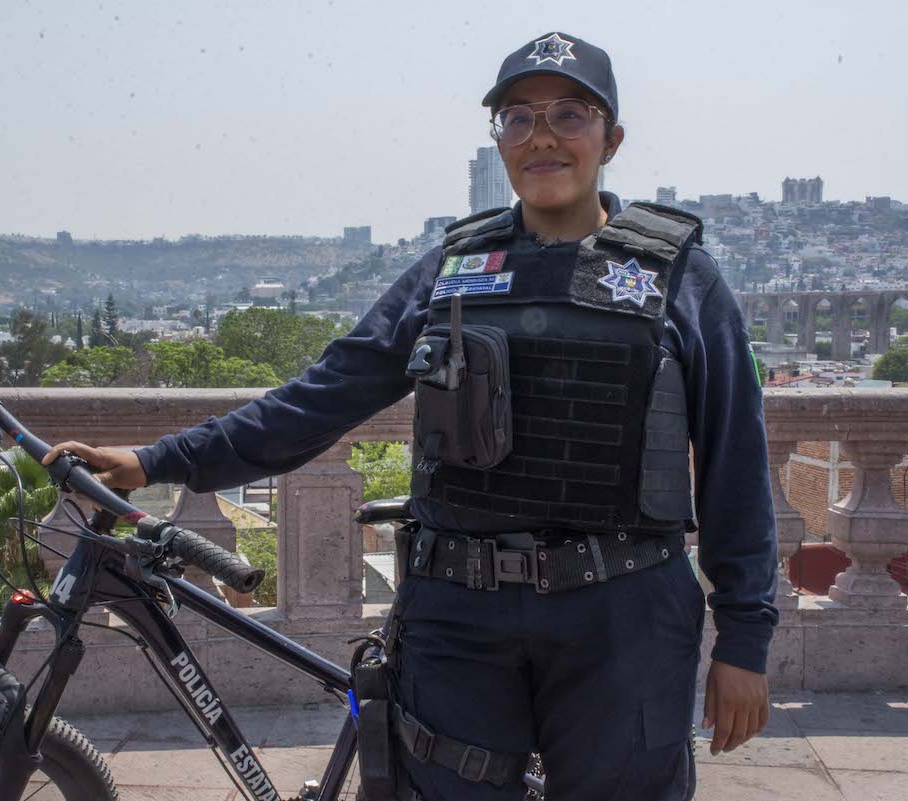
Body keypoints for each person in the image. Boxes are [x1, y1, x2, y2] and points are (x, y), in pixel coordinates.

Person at [45, 31, 778, 801]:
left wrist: (745, 639)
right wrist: (157, 459)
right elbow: (326, 393)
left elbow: (735, 461)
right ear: (498, 139)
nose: (541, 137)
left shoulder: (679, 276)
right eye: (517, 118)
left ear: (611, 138)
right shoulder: (454, 268)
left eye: (569, 114)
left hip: (622, 616)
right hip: (459, 618)